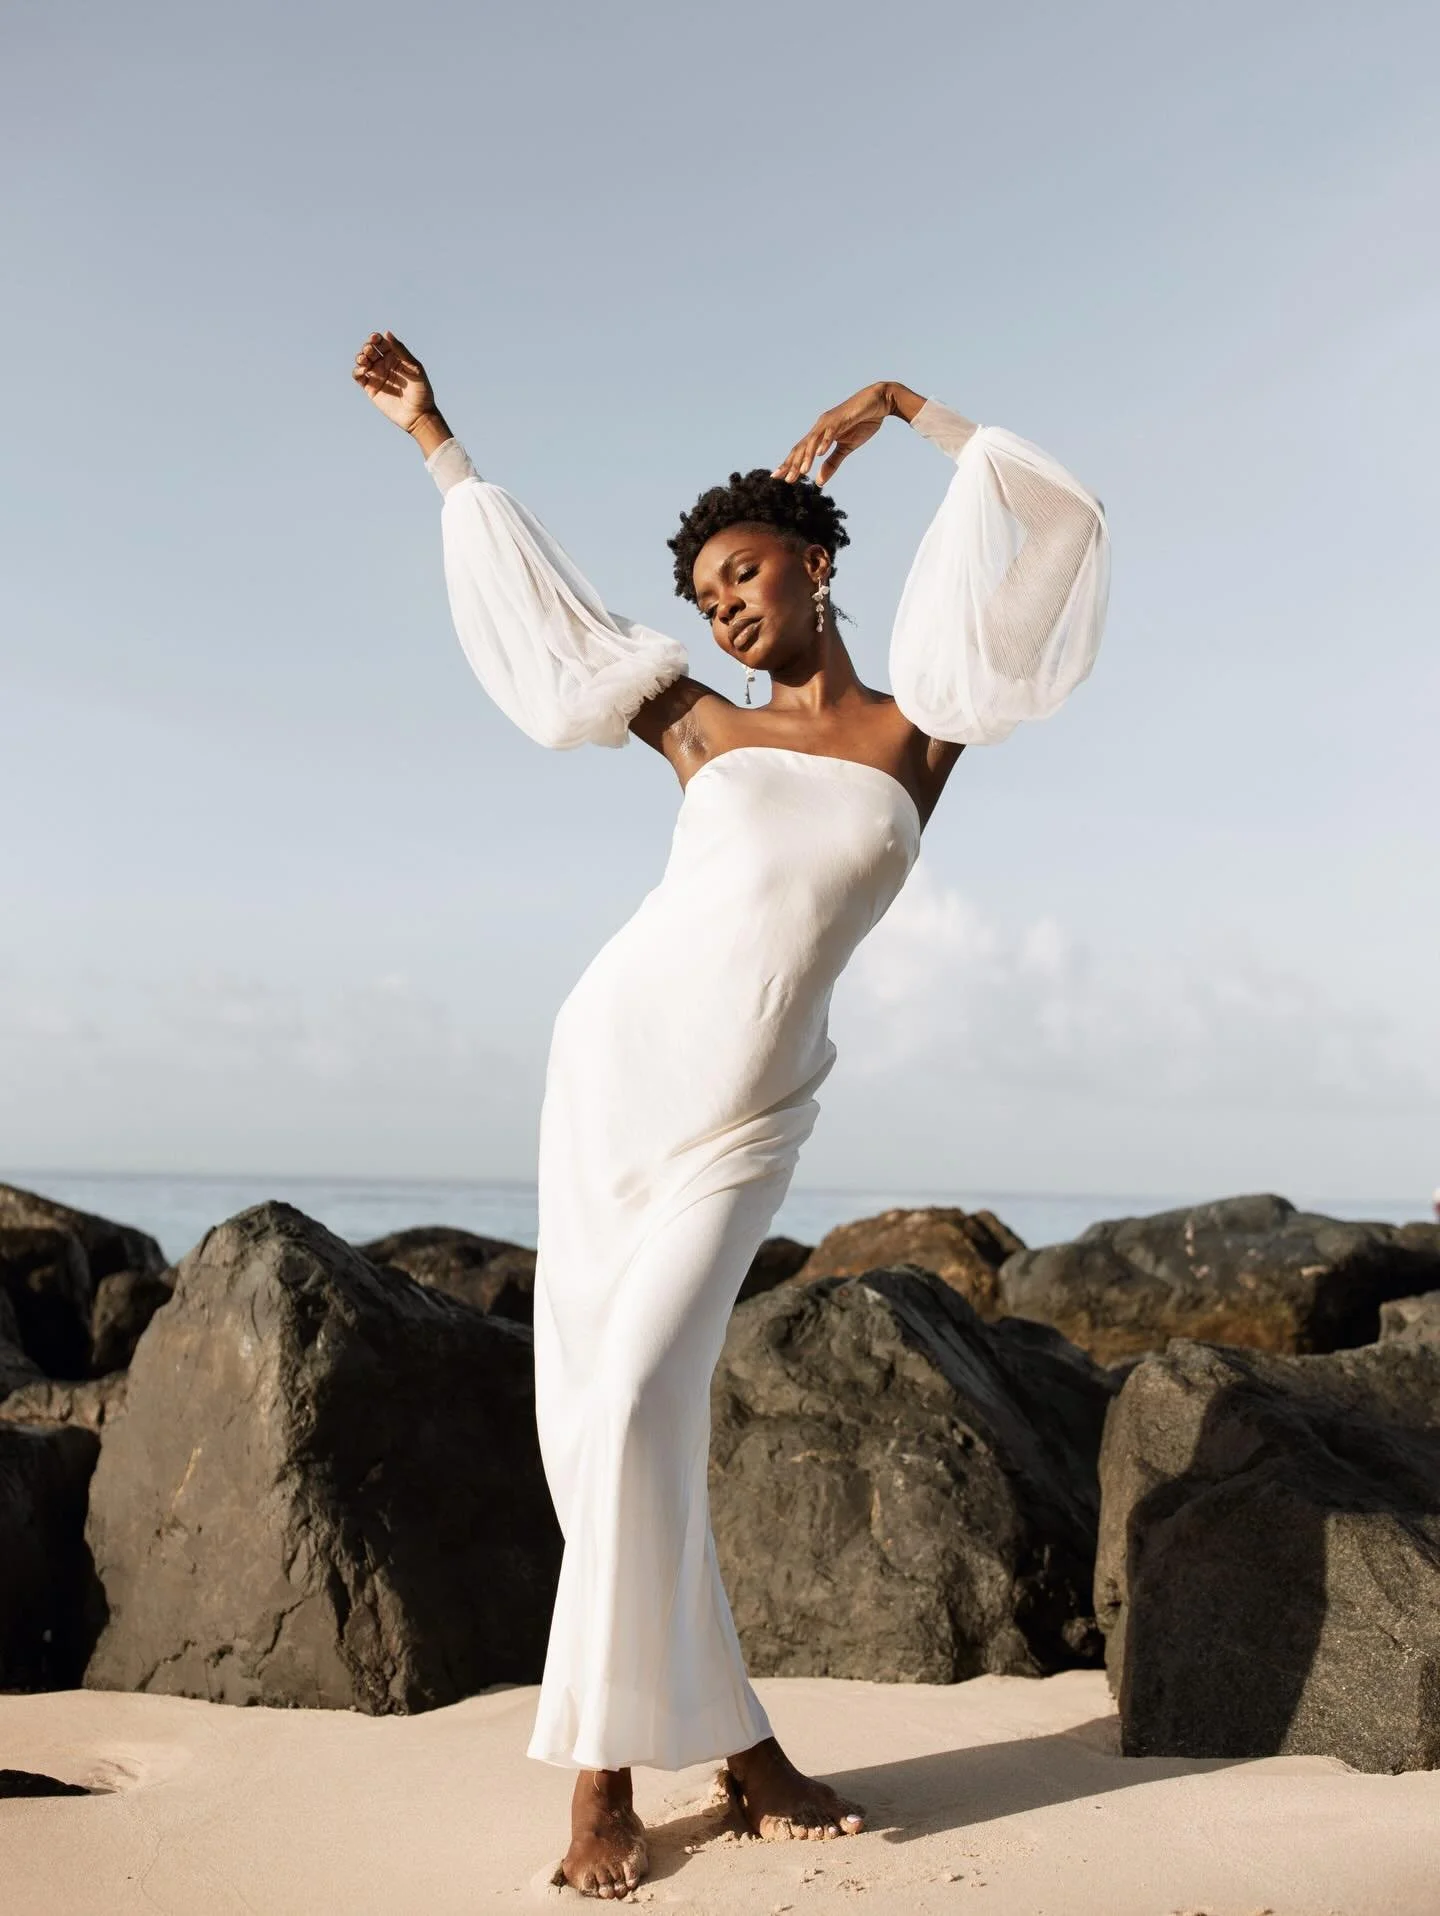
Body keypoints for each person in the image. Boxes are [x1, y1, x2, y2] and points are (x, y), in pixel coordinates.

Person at [353, 331, 1110, 1900]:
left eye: (747, 576)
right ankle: (688, 1763)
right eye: (706, 600)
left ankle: (631, 1767)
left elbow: (1061, 530)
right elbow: (551, 624)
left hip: (745, 1115)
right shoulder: (699, 723)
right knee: (606, 1426)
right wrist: (441, 444)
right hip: (614, 1073)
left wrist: (909, 410)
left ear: (819, 561)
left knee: (633, 1404)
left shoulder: (920, 733)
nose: (726, 611)